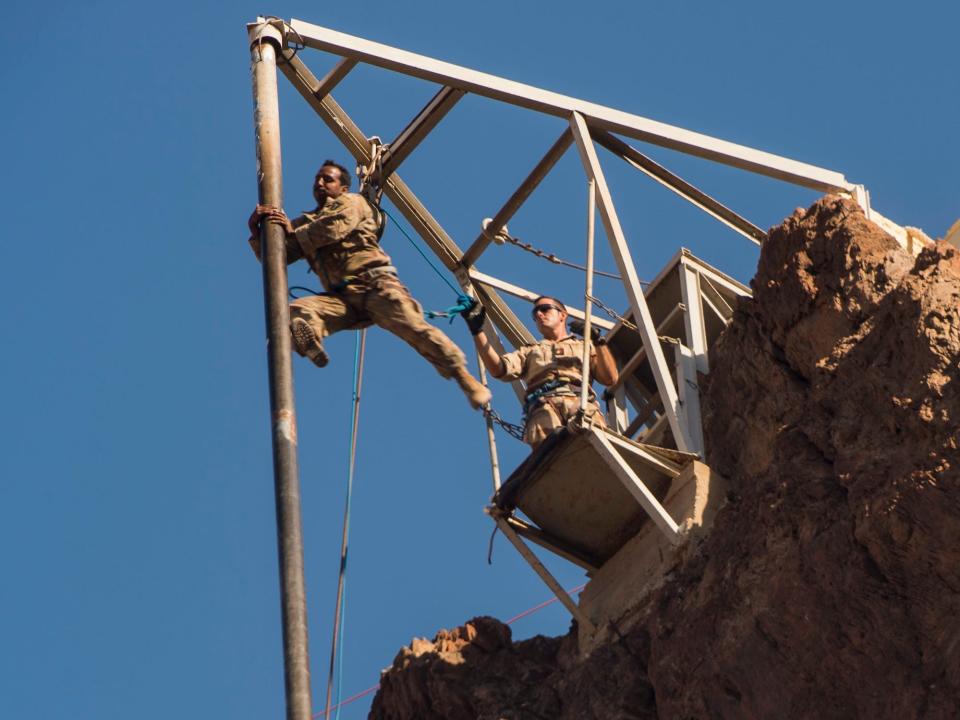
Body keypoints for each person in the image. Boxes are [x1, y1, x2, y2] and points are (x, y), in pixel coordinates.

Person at [247, 159, 491, 409]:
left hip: (376, 286)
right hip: (342, 299)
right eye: (317, 180)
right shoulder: (306, 221)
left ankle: (463, 377)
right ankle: (310, 338)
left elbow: (334, 227)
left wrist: (292, 232)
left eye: (327, 179)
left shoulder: (352, 202)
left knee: (415, 329)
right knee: (293, 311)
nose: (320, 183)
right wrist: (260, 231)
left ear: (343, 187)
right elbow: (276, 256)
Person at [465, 295, 619, 448]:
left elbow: (610, 378)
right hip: (543, 407)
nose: (539, 314)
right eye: (535, 313)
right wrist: (477, 331)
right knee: (548, 455)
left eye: (545, 309)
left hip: (580, 402)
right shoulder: (529, 351)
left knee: (595, 445)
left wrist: (598, 340)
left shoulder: (585, 346)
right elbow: (498, 369)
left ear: (562, 315)